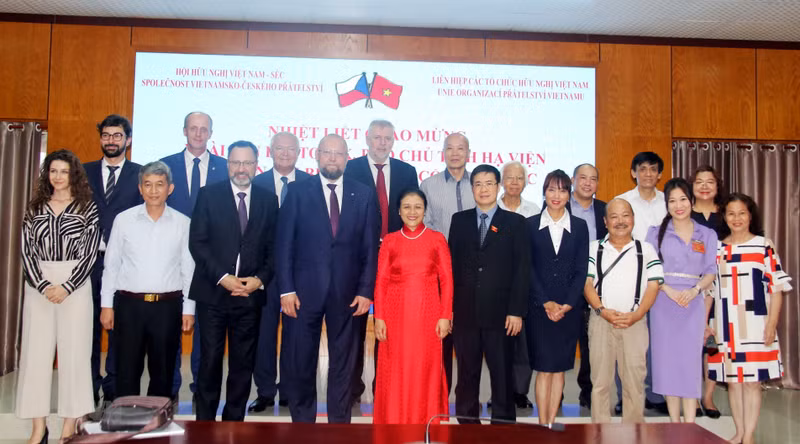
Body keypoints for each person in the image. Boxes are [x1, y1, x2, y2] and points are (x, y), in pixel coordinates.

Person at [276, 134, 380, 423]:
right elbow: (283, 244)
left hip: (348, 295)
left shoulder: (364, 194)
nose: (332, 158)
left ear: (347, 157)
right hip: (302, 294)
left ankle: (339, 424)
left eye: (339, 154)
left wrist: (365, 291)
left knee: (344, 364)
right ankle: (303, 423)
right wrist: (285, 289)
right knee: (301, 361)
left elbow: (371, 248)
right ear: (316, 155)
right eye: (327, 153)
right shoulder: (297, 191)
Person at [188, 140, 279, 421]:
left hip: (250, 295)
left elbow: (273, 248)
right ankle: (205, 422)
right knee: (211, 361)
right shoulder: (208, 195)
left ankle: (233, 422)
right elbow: (198, 243)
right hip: (214, 294)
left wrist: (259, 280)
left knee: (243, 363)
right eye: (236, 163)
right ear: (228, 164)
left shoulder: (268, 199)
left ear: (256, 165)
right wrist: (223, 278)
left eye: (248, 163)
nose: (242, 169)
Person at [18, 149, 100, 443]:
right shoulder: (34, 207)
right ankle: (38, 428)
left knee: (75, 356)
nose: (58, 177)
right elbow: (26, 251)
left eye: (64, 171)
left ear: (73, 174)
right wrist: (43, 286)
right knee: (35, 356)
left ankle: (69, 426)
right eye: (53, 171)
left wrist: (66, 286)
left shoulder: (87, 208)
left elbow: (90, 253)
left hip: (74, 288)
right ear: (46, 174)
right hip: (38, 286)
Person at [99, 161, 195, 399]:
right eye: (148, 185)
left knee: (162, 372)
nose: (153, 191)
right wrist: (106, 306)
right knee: (127, 370)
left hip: (167, 307)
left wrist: (188, 309)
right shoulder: (124, 220)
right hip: (129, 306)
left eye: (159, 185)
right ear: (140, 188)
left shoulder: (183, 223)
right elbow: (111, 265)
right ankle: (126, 424)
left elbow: (188, 269)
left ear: (170, 188)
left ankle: (157, 424)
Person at [344, 119, 419, 405]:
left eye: (388, 138)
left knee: (390, 326)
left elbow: (412, 216)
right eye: (377, 137)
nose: (382, 142)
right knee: (355, 326)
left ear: (394, 140)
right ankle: (352, 388)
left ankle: (385, 387)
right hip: (357, 258)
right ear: (367, 139)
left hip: (397, 259)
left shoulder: (406, 171)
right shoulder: (350, 169)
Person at [449, 164, 530, 424]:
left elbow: (522, 269)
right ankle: (466, 428)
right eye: (478, 184)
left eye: (489, 183)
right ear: (472, 188)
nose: (483, 189)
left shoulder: (515, 223)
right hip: (465, 313)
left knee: (502, 375)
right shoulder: (459, 221)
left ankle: (503, 429)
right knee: (466, 375)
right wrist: (449, 309)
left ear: (498, 186)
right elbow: (453, 266)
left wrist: (516, 311)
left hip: (502, 315)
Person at [710, 193, 792, 444]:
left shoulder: (763, 245)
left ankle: (749, 435)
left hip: (757, 324)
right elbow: (711, 290)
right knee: (733, 383)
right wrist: (708, 324)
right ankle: (738, 431)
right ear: (724, 217)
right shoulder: (718, 248)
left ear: (750, 216)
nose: (737, 218)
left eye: (742, 213)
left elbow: (777, 288)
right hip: (726, 325)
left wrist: (771, 324)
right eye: (731, 213)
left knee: (752, 383)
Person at [161, 111, 228, 397]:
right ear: (184, 131)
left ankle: (202, 383)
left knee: (205, 326)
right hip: (170, 257)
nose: (198, 134)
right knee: (170, 322)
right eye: (193, 129)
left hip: (210, 258)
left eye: (204, 130)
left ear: (211, 133)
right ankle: (170, 385)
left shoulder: (225, 168)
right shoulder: (165, 166)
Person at [373, 189, 453, 424]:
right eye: (406, 207)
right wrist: (379, 317)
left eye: (417, 207)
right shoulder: (389, 240)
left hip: (429, 316)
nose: (412, 212)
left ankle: (425, 420)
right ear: (398, 211)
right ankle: (395, 420)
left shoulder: (437, 239)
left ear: (424, 210)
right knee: (396, 368)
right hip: (395, 315)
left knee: (424, 368)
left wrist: (445, 315)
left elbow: (447, 280)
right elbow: (381, 280)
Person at [584, 198, 663, 423]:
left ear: (633, 219)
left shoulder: (645, 249)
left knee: (634, 384)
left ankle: (633, 434)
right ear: (605, 221)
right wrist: (601, 310)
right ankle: (599, 433)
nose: (620, 221)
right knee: (600, 384)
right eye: (614, 216)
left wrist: (637, 315)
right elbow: (587, 284)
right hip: (601, 322)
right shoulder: (593, 248)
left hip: (635, 323)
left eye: (625, 215)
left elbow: (654, 284)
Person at [645, 178, 717, 423]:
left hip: (693, 303)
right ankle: (674, 425)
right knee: (666, 365)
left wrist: (695, 290)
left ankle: (690, 426)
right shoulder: (655, 233)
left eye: (683, 199)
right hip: (663, 303)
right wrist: (668, 290)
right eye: (672, 200)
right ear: (666, 204)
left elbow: (710, 271)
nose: (678, 205)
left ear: (691, 201)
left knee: (689, 365)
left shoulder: (706, 234)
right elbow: (650, 268)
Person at [249, 131, 311, 412]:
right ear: (270, 151)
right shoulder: (255, 182)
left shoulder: (311, 184)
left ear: (299, 152)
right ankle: (265, 391)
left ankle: (288, 388)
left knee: (294, 334)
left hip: (299, 272)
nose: (285, 154)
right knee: (263, 334)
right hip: (264, 273)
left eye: (291, 149)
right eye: (280, 149)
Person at [83, 114, 142, 406]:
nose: (111, 141)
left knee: (121, 331)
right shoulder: (83, 172)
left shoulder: (141, 175)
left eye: (117, 136)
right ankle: (87, 389)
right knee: (88, 330)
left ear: (127, 141)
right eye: (106, 135)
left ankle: (114, 390)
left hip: (124, 266)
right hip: (86, 265)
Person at [526, 169, 589, 427]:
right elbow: (527, 267)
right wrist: (545, 302)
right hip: (538, 309)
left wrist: (568, 304)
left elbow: (581, 269)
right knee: (543, 368)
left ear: (569, 194)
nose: (557, 195)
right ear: (543, 192)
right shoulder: (529, 225)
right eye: (551, 189)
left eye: (562, 190)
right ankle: (542, 424)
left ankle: (552, 423)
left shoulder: (580, 226)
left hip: (568, 310)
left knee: (560, 368)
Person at [419, 132, 475, 392]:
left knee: (467, 340)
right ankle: (439, 396)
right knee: (441, 340)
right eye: (450, 148)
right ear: (443, 152)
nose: (455, 153)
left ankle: (465, 400)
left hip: (473, 274)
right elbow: (424, 226)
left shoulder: (479, 184)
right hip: (437, 274)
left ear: (468, 153)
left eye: (460, 148)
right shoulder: (429, 186)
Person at [614, 151, 668, 414]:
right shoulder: (622, 201)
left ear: (660, 174)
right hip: (629, 278)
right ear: (633, 172)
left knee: (659, 341)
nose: (648, 174)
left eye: (653, 169)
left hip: (664, 280)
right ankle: (624, 395)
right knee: (625, 340)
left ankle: (657, 396)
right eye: (642, 168)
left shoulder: (670, 202)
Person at [496, 161, 539, 409]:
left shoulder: (533, 210)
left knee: (523, 343)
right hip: (497, 285)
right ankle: (499, 391)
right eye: (509, 177)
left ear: (525, 181)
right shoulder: (492, 207)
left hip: (525, 283)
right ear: (502, 181)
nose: (514, 182)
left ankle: (520, 391)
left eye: (519, 178)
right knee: (498, 343)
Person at [566, 163, 607, 409]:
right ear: (573, 180)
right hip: (566, 283)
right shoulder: (559, 205)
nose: (587, 183)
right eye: (583, 178)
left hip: (596, 283)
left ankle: (587, 393)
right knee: (563, 341)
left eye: (593, 178)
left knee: (592, 344)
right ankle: (555, 392)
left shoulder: (604, 209)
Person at [690, 165, 727, 419]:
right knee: (692, 343)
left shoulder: (727, 215)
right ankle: (691, 395)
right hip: (692, 287)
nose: (704, 186)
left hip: (723, 287)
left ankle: (709, 396)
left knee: (713, 343)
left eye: (709, 182)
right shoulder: (684, 214)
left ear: (717, 186)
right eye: (699, 181)